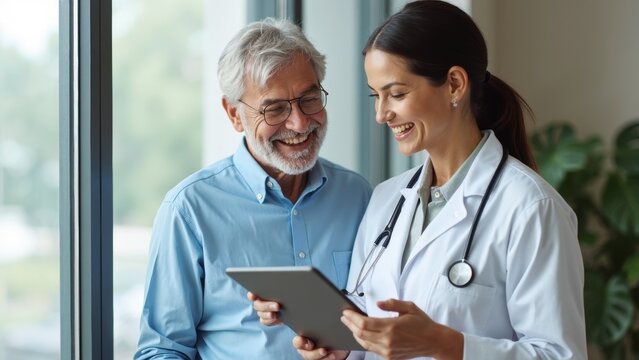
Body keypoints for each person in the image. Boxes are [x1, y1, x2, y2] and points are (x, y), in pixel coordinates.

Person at [256, 1, 587, 359]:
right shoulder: (387, 199)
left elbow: (559, 354)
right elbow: (370, 320)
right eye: (376, 96)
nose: (381, 115)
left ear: (455, 85)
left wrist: (446, 345)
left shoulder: (531, 208)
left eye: (396, 94)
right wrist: (342, 348)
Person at [134, 18, 372, 359]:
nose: (300, 123)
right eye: (274, 109)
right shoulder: (190, 210)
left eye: (309, 99)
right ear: (233, 114)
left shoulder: (359, 196)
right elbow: (160, 350)